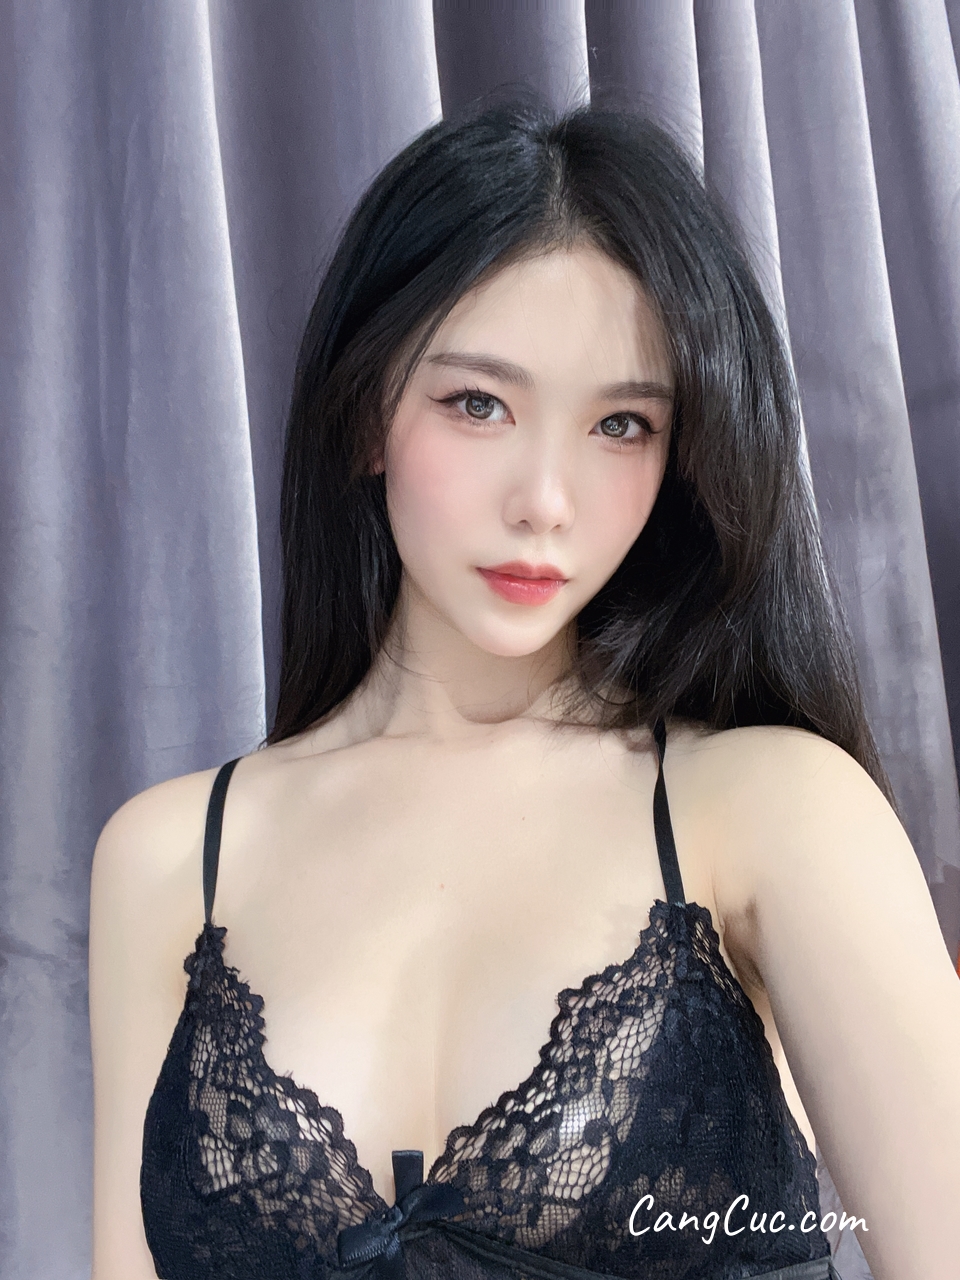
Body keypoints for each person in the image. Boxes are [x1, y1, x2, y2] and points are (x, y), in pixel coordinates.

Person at [88, 102, 960, 1280]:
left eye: (621, 423)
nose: (546, 499)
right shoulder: (169, 859)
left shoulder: (769, 808)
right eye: (479, 404)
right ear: (368, 412)